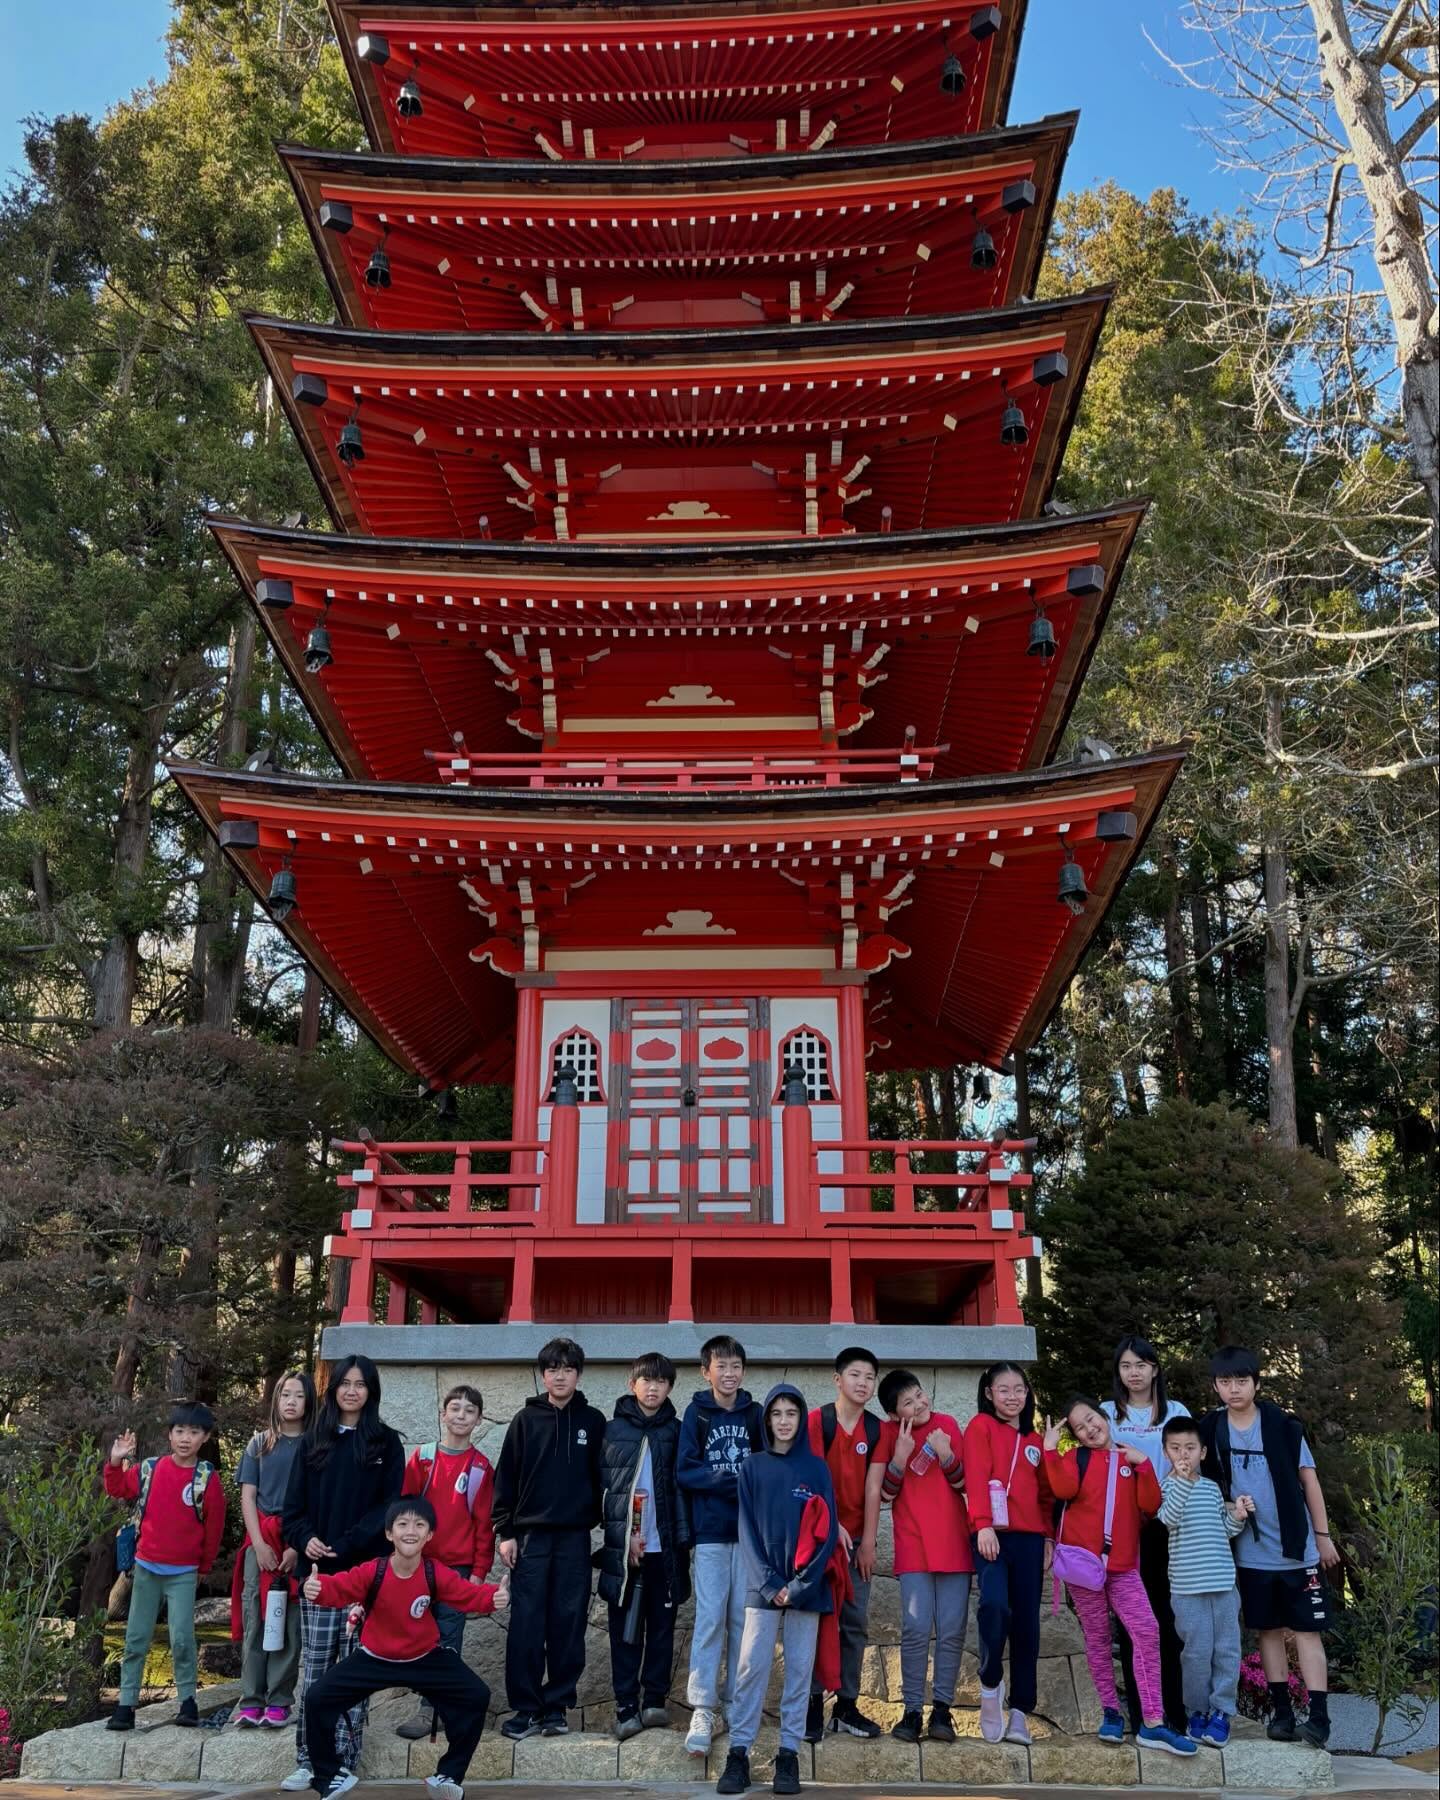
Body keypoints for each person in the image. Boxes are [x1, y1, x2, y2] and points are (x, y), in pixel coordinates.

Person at [300, 1496, 510, 1800]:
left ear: (430, 1535)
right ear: (389, 1533)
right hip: (374, 1656)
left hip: (423, 1656)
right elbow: (341, 1586)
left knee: (476, 1695)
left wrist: (494, 1597)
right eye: (402, 1524)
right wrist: (316, 1590)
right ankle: (328, 1777)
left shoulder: (433, 1572)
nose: (410, 1531)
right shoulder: (374, 1570)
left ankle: (448, 1775)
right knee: (317, 1698)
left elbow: (466, 1594)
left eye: (419, 1525)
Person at [1198, 1346, 1338, 1750]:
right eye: (1225, 1382)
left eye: (1242, 1381)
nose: (1234, 1389)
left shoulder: (1282, 1426)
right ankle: (1282, 1714)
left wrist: (1323, 1536)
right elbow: (1203, 1486)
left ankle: (1320, 1718)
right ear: (1216, 1386)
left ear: (1256, 1383)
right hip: (1248, 1554)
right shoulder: (1210, 1429)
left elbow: (1308, 1481)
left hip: (1298, 1549)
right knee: (1268, 1631)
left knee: (1308, 1632)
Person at [1045, 1399, 1198, 1757]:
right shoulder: (1075, 1459)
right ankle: (1111, 1713)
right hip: (1084, 1566)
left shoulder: (1131, 1459)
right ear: (1077, 1436)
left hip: (1124, 1567)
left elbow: (1150, 1505)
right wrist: (1051, 1452)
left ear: (1104, 1418)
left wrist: (1143, 1466)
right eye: (1080, 1427)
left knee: (1147, 1631)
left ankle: (1153, 1721)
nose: (1090, 1428)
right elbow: (1064, 1490)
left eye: (1092, 1419)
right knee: (1097, 1638)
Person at [281, 1354, 404, 1792]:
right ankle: (308, 1759)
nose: (352, 1390)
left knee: (352, 1674)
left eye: (360, 1383)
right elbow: (291, 1511)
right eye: (344, 1383)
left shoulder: (386, 1444)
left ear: (371, 1391)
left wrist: (350, 1541)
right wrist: (305, 1538)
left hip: (363, 1577)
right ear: (332, 1389)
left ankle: (345, 1761)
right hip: (318, 1578)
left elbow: (388, 1509)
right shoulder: (314, 1440)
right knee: (314, 1671)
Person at [716, 1384, 837, 1799]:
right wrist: (769, 1583)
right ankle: (739, 1751)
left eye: (792, 1413)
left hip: (807, 1588)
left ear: (802, 1419)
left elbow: (828, 1530)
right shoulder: (752, 1467)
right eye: (777, 1413)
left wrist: (801, 1585)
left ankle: (789, 1752)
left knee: (800, 1672)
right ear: (767, 1420)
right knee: (751, 1669)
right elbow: (745, 1531)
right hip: (762, 1587)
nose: (784, 1420)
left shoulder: (817, 1469)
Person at [493, 1336, 606, 1741]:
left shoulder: (593, 1422)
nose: (560, 1376)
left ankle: (556, 1707)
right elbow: (504, 1478)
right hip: (530, 1538)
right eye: (553, 1369)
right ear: (544, 1375)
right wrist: (505, 1532)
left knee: (568, 1623)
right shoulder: (526, 1421)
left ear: (578, 1374)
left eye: (568, 1369)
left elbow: (603, 1481)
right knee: (526, 1623)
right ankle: (524, 1708)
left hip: (575, 1538)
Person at [860, 1369, 971, 1746]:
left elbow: (963, 1484)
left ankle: (942, 1709)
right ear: (894, 1414)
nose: (920, 1404)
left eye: (920, 1395)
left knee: (952, 1630)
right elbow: (887, 1494)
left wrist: (946, 1454)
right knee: (915, 1629)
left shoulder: (948, 1425)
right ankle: (911, 1709)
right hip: (913, 1545)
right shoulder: (892, 1435)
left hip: (954, 1543)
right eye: (908, 1402)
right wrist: (899, 1459)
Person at [104, 1401, 226, 1732]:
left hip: (184, 1572)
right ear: (170, 1435)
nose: (186, 1438)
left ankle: (188, 1702)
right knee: (136, 1637)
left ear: (205, 1437)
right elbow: (116, 1487)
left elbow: (214, 1527)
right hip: (146, 1567)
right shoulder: (149, 1469)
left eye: (194, 1432)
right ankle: (126, 1705)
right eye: (180, 1431)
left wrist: (204, 1565)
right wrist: (116, 1460)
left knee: (183, 1637)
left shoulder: (206, 1478)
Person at [677, 1333, 765, 1757]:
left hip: (748, 1535)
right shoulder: (696, 1413)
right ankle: (703, 1706)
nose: (729, 1374)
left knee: (740, 1622)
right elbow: (685, 1472)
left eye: (735, 1366)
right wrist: (728, 1481)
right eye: (721, 1366)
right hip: (710, 1533)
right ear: (705, 1370)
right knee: (710, 1618)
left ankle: (735, 1703)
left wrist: (744, 1486)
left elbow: (766, 1468)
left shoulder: (755, 1414)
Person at [597, 1352, 692, 1740]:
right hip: (625, 1550)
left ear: (670, 1387)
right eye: (646, 1380)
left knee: (662, 1628)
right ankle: (625, 1705)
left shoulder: (679, 1430)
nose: (653, 1388)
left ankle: (654, 1700)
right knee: (624, 1630)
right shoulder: (611, 1430)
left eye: (661, 1381)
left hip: (666, 1548)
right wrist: (621, 1540)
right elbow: (602, 1492)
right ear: (631, 1383)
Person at [396, 1384, 497, 1741]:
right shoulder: (422, 1458)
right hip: (418, 1566)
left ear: (479, 1419)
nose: (461, 1416)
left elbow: (484, 1526)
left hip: (457, 1571)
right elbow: (403, 1512)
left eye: (469, 1411)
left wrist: (479, 1573)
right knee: (421, 1637)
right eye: (455, 1408)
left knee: (449, 1639)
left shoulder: (481, 1468)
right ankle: (428, 1701)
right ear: (443, 1414)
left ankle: (433, 1709)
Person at [1101, 1335, 1190, 1735]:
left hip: (1168, 1527)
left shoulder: (1177, 1412)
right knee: (1134, 1625)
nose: (1133, 1373)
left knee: (1167, 1624)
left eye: (1141, 1364)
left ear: (1155, 1368)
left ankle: (1174, 1711)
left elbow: (1189, 1466)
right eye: (1126, 1366)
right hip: (1122, 1530)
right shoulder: (1105, 1414)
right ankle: (1141, 1714)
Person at [961, 1362, 1049, 1747]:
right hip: (990, 1534)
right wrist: (982, 1523)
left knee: (1027, 1625)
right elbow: (977, 1475)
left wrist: (1047, 1538)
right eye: (1004, 1389)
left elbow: (1046, 1493)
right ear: (988, 1393)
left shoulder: (1035, 1438)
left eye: (1019, 1389)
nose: (1012, 1397)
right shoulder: (980, 1427)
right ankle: (990, 1682)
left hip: (1030, 1539)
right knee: (994, 1607)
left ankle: (1020, 1711)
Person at [804, 1347, 883, 1742]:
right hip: (821, 1539)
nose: (863, 1383)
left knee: (855, 1622)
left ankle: (847, 1705)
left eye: (869, 1377)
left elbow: (874, 1487)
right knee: (819, 1619)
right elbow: (816, 1479)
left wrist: (868, 1541)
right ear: (838, 1380)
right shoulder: (818, 1421)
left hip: (855, 1543)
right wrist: (833, 1527)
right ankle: (812, 1702)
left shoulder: (876, 1429)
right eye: (855, 1375)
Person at [1158, 1416, 1250, 1747]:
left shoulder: (1212, 1489)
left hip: (1224, 1585)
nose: (1184, 1455)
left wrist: (1237, 1517)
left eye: (1190, 1448)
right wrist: (1182, 1482)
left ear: (1203, 1452)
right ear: (1165, 1451)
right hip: (1186, 1588)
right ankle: (1196, 1711)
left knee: (1227, 1651)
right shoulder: (1166, 1487)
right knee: (1195, 1654)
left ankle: (1222, 1712)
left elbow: (1223, 1531)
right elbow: (1167, 1519)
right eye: (1176, 1448)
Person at [232, 1371, 315, 1728]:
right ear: (276, 1401)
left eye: (298, 1395)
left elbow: (318, 1501)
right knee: (257, 1617)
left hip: (297, 1540)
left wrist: (297, 1545)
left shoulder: (316, 1445)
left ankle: (280, 1699)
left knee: (289, 1621)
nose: (291, 1402)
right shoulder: (259, 1443)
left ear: (309, 1401)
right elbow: (247, 1497)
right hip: (260, 1541)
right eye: (285, 1395)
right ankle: (251, 1698)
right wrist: (260, 1544)